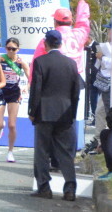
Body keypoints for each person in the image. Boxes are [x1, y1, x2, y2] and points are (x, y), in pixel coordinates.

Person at [29, 30, 80, 202]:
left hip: (44, 112)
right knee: (65, 153)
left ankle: (44, 187)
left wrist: (32, 111)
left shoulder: (40, 62)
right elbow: (75, 92)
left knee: (42, 151)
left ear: (46, 43)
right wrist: (72, 113)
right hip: (65, 113)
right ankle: (70, 189)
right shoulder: (71, 64)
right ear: (60, 44)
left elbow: (36, 90)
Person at [33, 0, 91, 75]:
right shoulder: (79, 35)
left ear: (55, 22)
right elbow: (83, 21)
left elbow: (36, 63)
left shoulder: (49, 39)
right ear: (71, 22)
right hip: (75, 77)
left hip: (55, 78)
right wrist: (81, 0)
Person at [0, 37, 30, 163]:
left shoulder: (21, 63)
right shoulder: (1, 59)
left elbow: (30, 77)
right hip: (1, 92)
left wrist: (26, 87)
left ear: (18, 49)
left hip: (14, 93)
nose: (11, 51)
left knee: (12, 124)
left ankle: (10, 152)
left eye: (13, 49)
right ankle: (0, 126)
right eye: (8, 48)